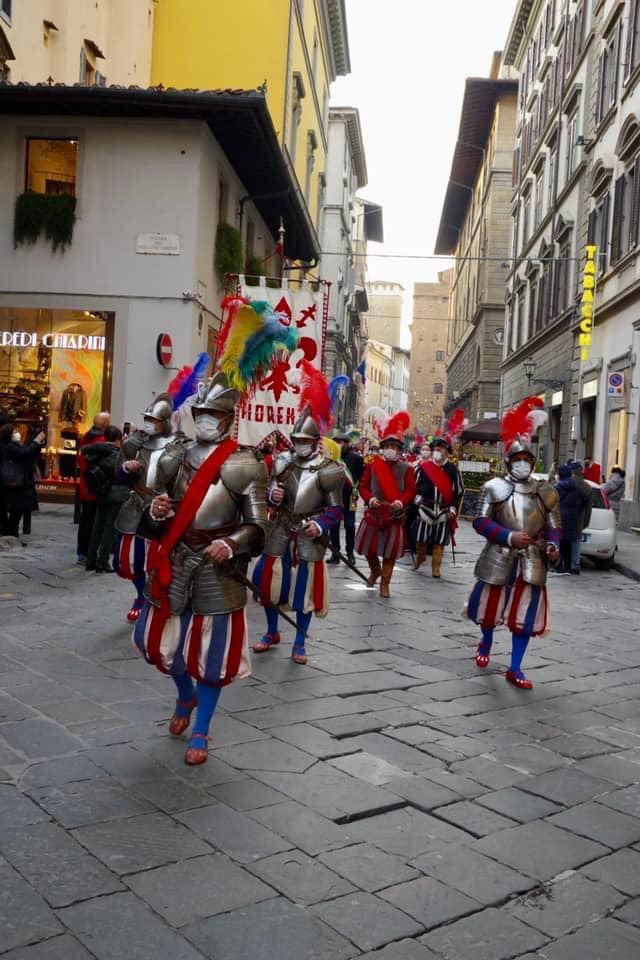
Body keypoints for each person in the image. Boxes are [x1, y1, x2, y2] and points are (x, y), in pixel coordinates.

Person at [467, 397, 561, 690]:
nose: (523, 464)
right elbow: (480, 522)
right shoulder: (493, 487)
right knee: (490, 609)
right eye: (518, 460)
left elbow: (554, 527)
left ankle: (516, 666)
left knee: (526, 615)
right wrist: (508, 536)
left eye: (527, 460)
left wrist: (553, 546)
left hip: (532, 559)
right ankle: (486, 641)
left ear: (532, 463)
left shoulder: (545, 492)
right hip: (499, 554)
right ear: (509, 462)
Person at [252, 366, 344, 664]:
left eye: (305, 440)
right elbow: (267, 491)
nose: (300, 444)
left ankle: (300, 641)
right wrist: (271, 496)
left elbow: (336, 509)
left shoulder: (329, 470)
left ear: (315, 441)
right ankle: (271, 631)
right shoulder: (281, 462)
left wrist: (320, 524)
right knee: (268, 585)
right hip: (280, 528)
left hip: (308, 533)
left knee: (305, 592)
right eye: (297, 439)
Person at [114, 394, 186, 621]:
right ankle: (140, 594)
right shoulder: (134, 444)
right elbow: (117, 477)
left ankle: (153, 597)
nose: (149, 424)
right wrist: (126, 468)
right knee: (125, 561)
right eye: (147, 419)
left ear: (164, 422)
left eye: (153, 420)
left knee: (158, 561)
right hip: (136, 504)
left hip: (165, 509)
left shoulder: (181, 446)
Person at [355, 411, 415, 598]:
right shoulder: (373, 465)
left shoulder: (407, 468)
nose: (390, 449)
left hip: (394, 515)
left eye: (394, 446)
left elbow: (411, 491)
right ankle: (375, 571)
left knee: (390, 553)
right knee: (368, 549)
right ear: (382, 448)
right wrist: (369, 498)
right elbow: (363, 486)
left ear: (399, 450)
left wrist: (401, 501)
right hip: (374, 511)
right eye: (387, 446)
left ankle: (385, 583)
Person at [412, 435, 465, 578]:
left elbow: (459, 492)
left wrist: (453, 508)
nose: (436, 451)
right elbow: (413, 487)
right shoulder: (423, 468)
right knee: (421, 539)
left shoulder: (453, 470)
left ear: (446, 451)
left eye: (439, 449)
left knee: (439, 542)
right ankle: (420, 558)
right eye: (434, 449)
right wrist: (416, 498)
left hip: (443, 510)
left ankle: (436, 567)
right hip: (425, 508)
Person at [84, 426, 126, 572]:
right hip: (114, 493)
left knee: (97, 527)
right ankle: (102, 561)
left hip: (101, 492)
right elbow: (118, 472)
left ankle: (90, 559)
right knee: (109, 529)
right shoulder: (114, 453)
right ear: (117, 439)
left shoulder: (96, 451)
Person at [0, 423, 46, 537]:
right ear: (9, 434)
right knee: (16, 509)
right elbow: (26, 452)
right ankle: (10, 533)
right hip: (12, 483)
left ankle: (9, 532)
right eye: (15, 432)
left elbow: (27, 451)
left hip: (11, 482)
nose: (18, 434)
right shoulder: (9, 447)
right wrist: (36, 441)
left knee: (11, 509)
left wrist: (36, 443)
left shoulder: (11, 446)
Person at [76, 412, 110, 563]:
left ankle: (82, 552)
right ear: (104, 424)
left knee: (85, 520)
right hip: (97, 486)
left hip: (85, 484)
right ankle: (91, 553)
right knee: (96, 522)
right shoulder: (103, 441)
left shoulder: (85, 437)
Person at [328, 433, 364, 565]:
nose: (338, 444)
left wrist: (356, 490)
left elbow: (361, 478)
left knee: (349, 526)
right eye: (336, 442)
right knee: (334, 525)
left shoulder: (357, 459)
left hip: (350, 497)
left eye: (341, 442)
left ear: (347, 443)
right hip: (334, 496)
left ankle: (350, 554)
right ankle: (335, 553)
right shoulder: (331, 458)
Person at [555, 464, 591, 575]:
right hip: (573, 516)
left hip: (560, 516)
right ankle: (568, 567)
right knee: (568, 542)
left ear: (560, 475)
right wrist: (578, 509)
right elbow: (586, 498)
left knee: (560, 541)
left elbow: (551, 501)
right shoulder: (575, 486)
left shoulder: (557, 487)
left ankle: (559, 565)